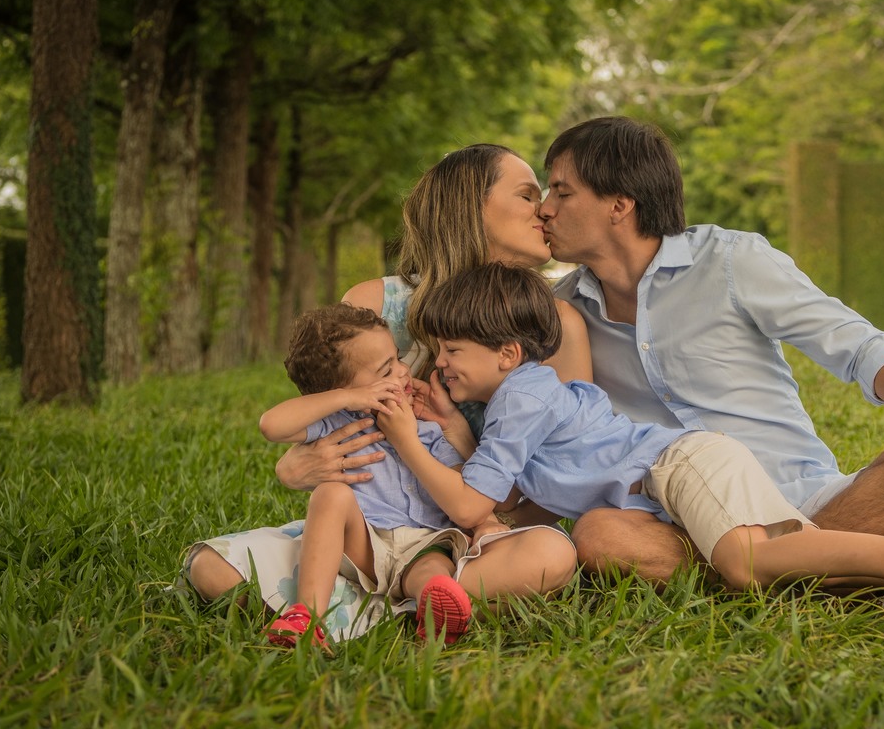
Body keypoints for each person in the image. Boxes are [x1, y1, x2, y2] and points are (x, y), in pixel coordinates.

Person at [538, 116, 884, 617]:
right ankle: (857, 567)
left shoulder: (731, 261)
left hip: (810, 502)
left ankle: (773, 570)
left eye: (562, 192)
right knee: (600, 535)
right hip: (679, 524)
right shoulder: (561, 315)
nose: (545, 208)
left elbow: (856, 343)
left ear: (619, 205)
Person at [377, 263, 884, 627]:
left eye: (451, 350)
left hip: (685, 466)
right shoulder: (521, 401)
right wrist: (455, 428)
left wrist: (407, 438)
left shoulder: (521, 398)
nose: (441, 365)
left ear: (507, 352)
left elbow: (473, 505)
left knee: (745, 561)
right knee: (764, 557)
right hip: (681, 479)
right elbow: (509, 500)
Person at [183, 145, 589, 642]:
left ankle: (382, 604)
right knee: (210, 569)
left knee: (551, 555)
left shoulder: (556, 324)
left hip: (474, 541)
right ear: (469, 205)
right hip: (368, 535)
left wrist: (485, 520)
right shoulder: (374, 303)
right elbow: (326, 426)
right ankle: (405, 605)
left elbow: (566, 475)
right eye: (527, 195)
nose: (544, 209)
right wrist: (294, 465)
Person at [257, 302, 575, 648]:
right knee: (330, 494)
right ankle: (307, 616)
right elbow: (272, 425)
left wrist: (485, 524)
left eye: (397, 359)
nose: (403, 371)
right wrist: (346, 398)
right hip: (365, 543)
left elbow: (462, 483)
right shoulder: (338, 424)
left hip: (425, 544)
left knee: (432, 572)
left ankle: (435, 610)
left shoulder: (425, 427)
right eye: (386, 370)